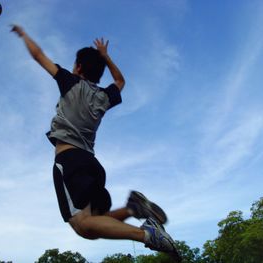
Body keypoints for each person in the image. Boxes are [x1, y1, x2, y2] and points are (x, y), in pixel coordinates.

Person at [11, 25, 181, 261]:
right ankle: (133, 209)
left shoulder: (70, 82)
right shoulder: (103, 96)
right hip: (90, 164)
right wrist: (105, 56)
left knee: (83, 225)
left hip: (69, 161)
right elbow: (120, 81)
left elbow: (38, 55)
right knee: (93, 228)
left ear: (78, 67)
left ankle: (147, 235)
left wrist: (23, 34)